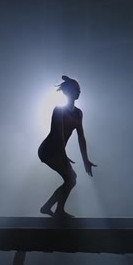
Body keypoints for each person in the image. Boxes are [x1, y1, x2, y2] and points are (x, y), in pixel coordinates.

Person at [38, 75, 96, 218]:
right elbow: (58, 135)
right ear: (69, 91)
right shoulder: (59, 110)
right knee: (71, 178)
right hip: (48, 150)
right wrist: (63, 156)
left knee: (71, 179)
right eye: (77, 89)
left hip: (58, 151)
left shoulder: (78, 113)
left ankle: (50, 208)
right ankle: (54, 209)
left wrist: (86, 160)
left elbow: (81, 138)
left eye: (80, 90)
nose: (79, 92)